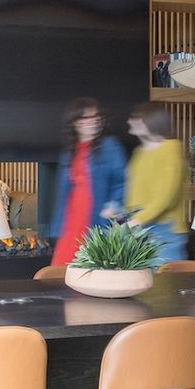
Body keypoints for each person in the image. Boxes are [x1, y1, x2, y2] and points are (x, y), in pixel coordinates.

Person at [49, 99, 130, 267]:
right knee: (63, 267)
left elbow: (122, 181)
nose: (92, 122)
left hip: (97, 216)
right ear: (75, 122)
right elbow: (63, 192)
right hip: (72, 216)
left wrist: (114, 204)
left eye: (95, 117)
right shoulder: (70, 151)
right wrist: (58, 226)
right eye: (86, 118)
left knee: (93, 266)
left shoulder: (110, 146)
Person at [124, 104, 190, 265]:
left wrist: (138, 219)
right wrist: (126, 218)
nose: (131, 121)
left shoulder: (171, 148)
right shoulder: (139, 152)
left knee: (164, 284)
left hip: (164, 228)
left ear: (154, 121)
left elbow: (167, 195)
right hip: (140, 226)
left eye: (138, 118)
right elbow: (134, 190)